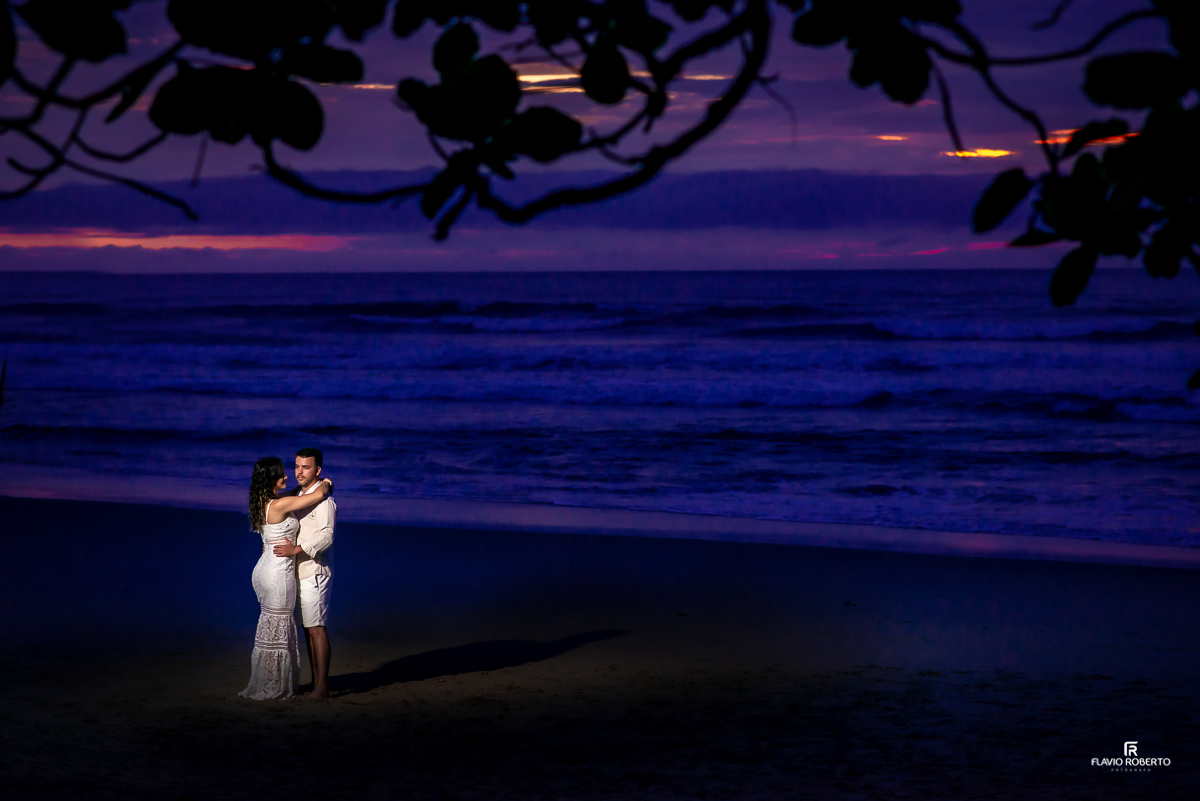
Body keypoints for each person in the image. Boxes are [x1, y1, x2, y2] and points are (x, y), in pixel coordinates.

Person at [238, 457, 332, 701]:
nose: (288, 476)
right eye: (281, 474)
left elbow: (294, 495)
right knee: (279, 629)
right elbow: (314, 496)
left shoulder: (264, 502)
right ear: (271, 479)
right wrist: (326, 484)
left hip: (264, 569)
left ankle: (268, 680)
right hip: (278, 573)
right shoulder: (280, 504)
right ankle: (274, 686)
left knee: (271, 629)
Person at [272, 447, 336, 699]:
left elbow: (327, 536)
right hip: (299, 570)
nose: (299, 471)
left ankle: (322, 686)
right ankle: (315, 681)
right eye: (297, 466)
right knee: (307, 628)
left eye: (306, 467)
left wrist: (296, 549)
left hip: (316, 570)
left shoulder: (325, 500)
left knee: (316, 627)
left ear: (317, 470)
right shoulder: (300, 495)